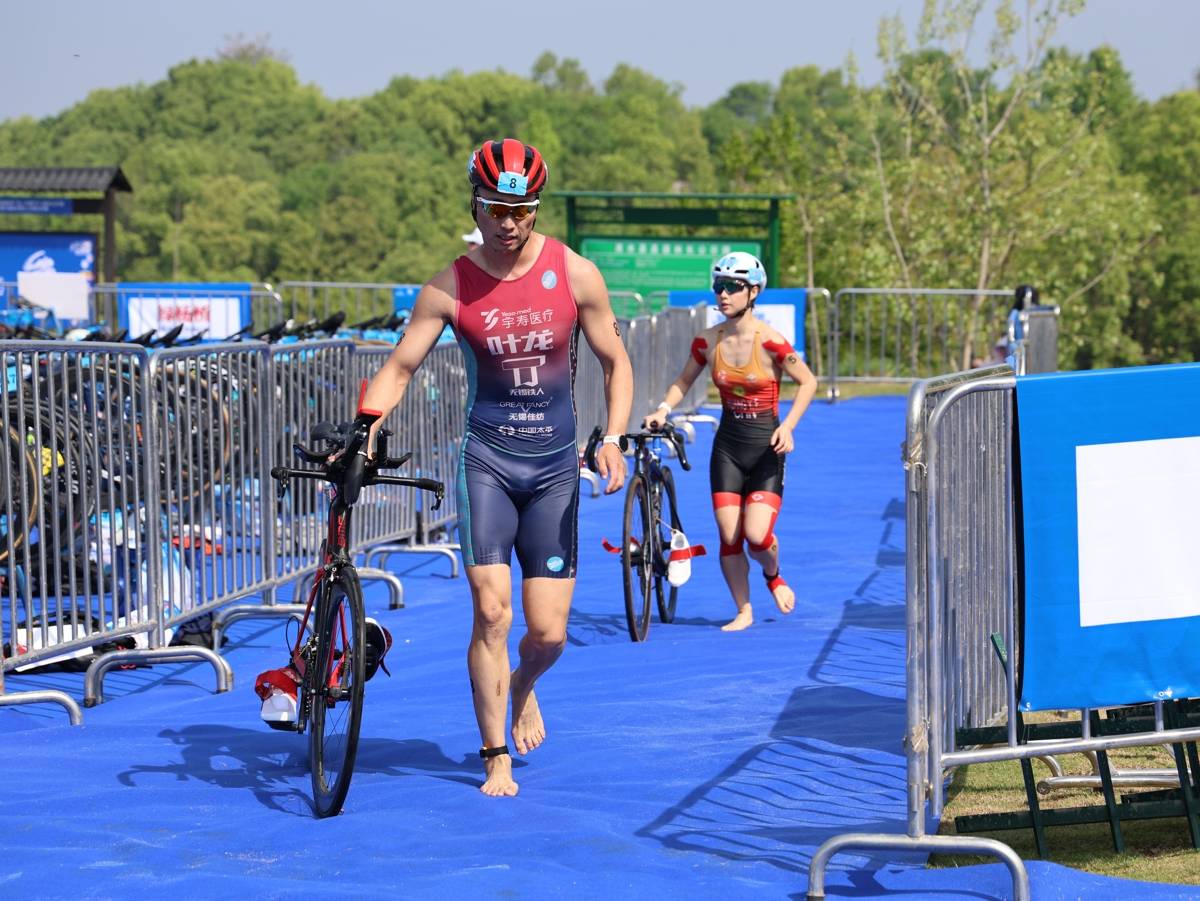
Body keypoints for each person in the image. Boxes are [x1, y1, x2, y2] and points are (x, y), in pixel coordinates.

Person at [359, 138, 632, 797]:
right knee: (490, 611)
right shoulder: (448, 286)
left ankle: (522, 685)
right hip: (487, 462)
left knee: (549, 634)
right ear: (476, 206)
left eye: (522, 210)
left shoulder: (575, 274)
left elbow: (615, 361)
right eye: (497, 210)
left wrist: (615, 436)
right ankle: (494, 755)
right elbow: (400, 368)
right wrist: (365, 427)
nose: (510, 223)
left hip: (554, 470)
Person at [643, 252, 816, 632]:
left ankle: (773, 574)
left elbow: (808, 381)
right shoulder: (708, 341)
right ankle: (743, 610)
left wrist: (788, 427)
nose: (723, 294)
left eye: (732, 287)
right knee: (729, 535)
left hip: (766, 450)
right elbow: (683, 381)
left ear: (753, 292)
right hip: (728, 450)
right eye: (718, 286)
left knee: (756, 537)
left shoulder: (771, 342)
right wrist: (663, 409)